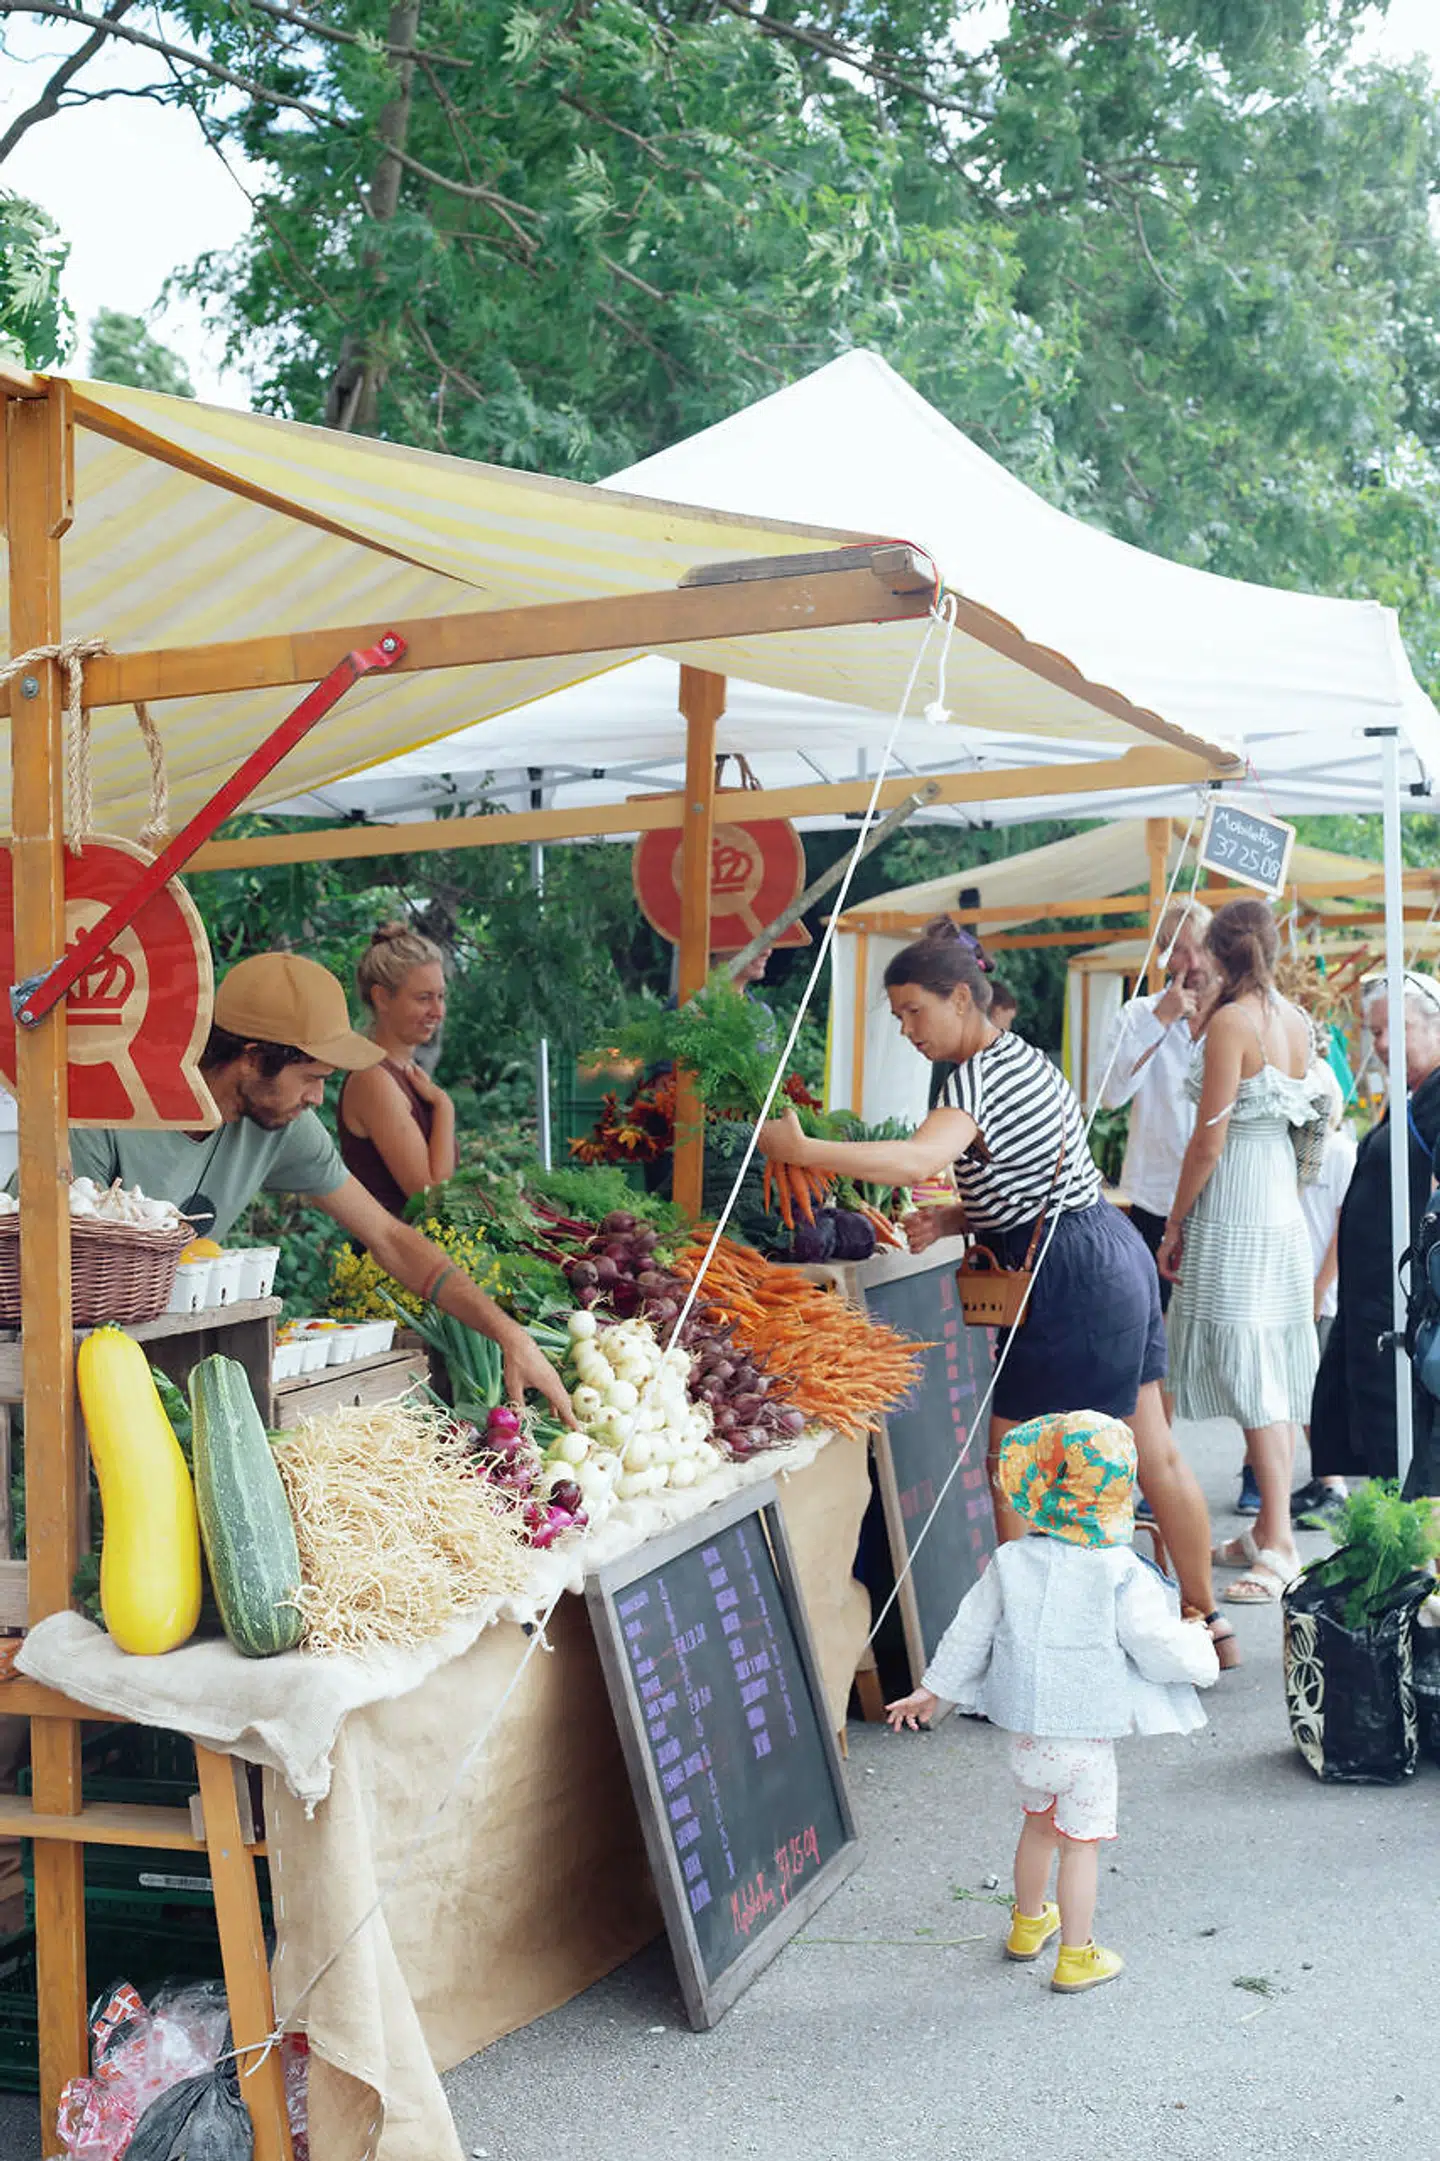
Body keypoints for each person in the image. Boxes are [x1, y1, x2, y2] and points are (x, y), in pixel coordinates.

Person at [757, 916, 1236, 1665]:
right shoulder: (1024, 1059)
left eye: (915, 1009)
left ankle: (1027, 1645)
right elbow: (1029, 1176)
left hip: (1065, 1275)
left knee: (1010, 1463)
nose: (907, 1028)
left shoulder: (974, 1080)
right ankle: (1208, 1624)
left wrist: (800, 1148)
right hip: (1108, 1251)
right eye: (896, 1016)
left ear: (959, 998)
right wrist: (956, 1216)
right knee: (1154, 1452)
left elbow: (919, 1157)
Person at [68, 952, 573, 1424]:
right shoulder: (107, 1109)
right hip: (74, 1373)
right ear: (251, 1057)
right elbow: (48, 1266)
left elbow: (390, 1238)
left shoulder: (284, 1124)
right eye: (311, 1076)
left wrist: (508, 1334)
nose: (318, 1097)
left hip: (164, 1370)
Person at [885, 1409, 1218, 1994]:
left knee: (1038, 1828)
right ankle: (1077, 1955)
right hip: (1085, 1742)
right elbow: (1154, 1642)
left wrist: (931, 1691)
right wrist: (1201, 1653)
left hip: (1026, 1739)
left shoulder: (1012, 1559)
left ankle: (1027, 1923)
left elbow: (969, 1630)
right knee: (1081, 1845)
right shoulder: (1119, 1570)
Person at [1158, 899, 1317, 1603]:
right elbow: (1316, 1109)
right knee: (1269, 1364)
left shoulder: (1231, 1022)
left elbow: (1208, 1141)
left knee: (1250, 1369)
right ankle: (1265, 1534)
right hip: (1281, 1197)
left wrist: (1173, 1222)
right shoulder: (1296, 1019)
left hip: (1239, 1202)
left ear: (1218, 955)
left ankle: (1279, 1539)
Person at [1308, 972, 1440, 1499]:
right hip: (1379, 1315)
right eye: (1374, 1032)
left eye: (1394, 1030)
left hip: (1410, 1319)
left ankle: (1417, 1572)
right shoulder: (1412, 1097)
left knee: (1413, 1464)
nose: (1380, 1045)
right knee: (1390, 1461)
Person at [1098, 900, 1216, 1317]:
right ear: (1166, 955)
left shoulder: (1234, 1019)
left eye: (1202, 947)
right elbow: (1110, 1095)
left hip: (1219, 1202)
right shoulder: (1138, 1015)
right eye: (1181, 950)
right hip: (1155, 1201)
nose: (1194, 961)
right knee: (1156, 1328)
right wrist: (1159, 1022)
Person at [338, 923, 457, 1219]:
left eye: (441, 997)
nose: (437, 1011)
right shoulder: (373, 1080)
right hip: (387, 1263)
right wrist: (444, 1107)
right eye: (423, 998)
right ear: (381, 998)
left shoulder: (407, 1074)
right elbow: (431, 1199)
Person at [1292, 1061, 1355, 1522]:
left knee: (1314, 1390)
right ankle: (1322, 1477)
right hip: (1293, 1284)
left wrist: (1319, 1289)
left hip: (1320, 1290)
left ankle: (1335, 1486)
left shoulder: (1338, 1152)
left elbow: (1342, 1227)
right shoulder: (1297, 1151)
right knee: (1298, 1388)